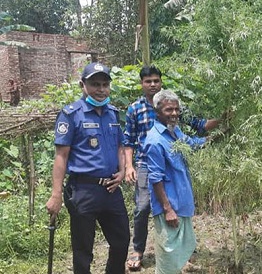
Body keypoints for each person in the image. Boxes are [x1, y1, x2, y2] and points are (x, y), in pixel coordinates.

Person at [124, 65, 219, 271]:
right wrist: (128, 166)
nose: (152, 84)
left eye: (156, 81)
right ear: (142, 84)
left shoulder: (172, 113)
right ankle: (138, 250)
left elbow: (198, 126)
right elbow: (128, 140)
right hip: (144, 165)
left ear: (160, 82)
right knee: (143, 208)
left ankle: (178, 249)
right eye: (148, 81)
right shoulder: (136, 110)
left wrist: (221, 124)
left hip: (170, 166)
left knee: (176, 204)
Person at [45, 62, 130, 274]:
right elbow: (61, 156)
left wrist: (122, 171)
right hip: (83, 190)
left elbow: (120, 147)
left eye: (104, 84)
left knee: (121, 241)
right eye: (95, 84)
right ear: (83, 85)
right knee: (83, 250)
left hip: (111, 189)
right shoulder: (71, 114)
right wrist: (55, 195)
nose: (101, 90)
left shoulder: (113, 114)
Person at [143, 89, 205, 274]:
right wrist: (168, 209)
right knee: (168, 256)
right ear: (157, 111)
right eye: (169, 110)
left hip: (182, 199)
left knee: (179, 252)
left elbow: (191, 144)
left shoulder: (174, 132)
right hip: (170, 205)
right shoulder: (155, 140)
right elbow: (155, 178)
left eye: (177, 110)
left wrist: (216, 135)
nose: (174, 114)